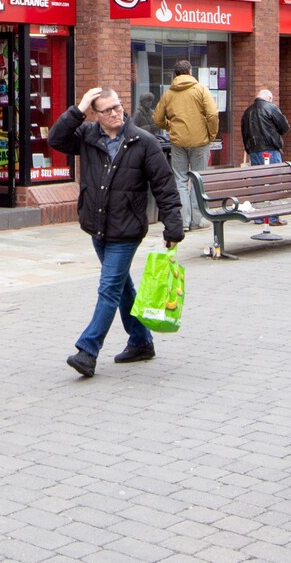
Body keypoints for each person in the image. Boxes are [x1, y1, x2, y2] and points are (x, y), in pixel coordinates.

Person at [48, 85, 184, 377]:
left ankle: (88, 350)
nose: (115, 113)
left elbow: (165, 184)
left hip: (127, 228)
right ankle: (141, 341)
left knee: (108, 287)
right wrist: (79, 106)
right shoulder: (87, 136)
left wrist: (173, 225)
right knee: (122, 287)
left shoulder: (143, 141)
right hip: (98, 226)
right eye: (107, 109)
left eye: (118, 107)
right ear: (95, 115)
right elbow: (55, 138)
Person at [153, 59, 220, 231]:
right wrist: (211, 134)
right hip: (200, 142)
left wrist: (171, 126)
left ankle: (182, 222)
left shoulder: (169, 93)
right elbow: (212, 114)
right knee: (198, 180)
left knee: (180, 181)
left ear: (175, 74)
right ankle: (196, 221)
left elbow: (157, 118)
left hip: (178, 141)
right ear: (190, 72)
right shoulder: (201, 90)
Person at [243, 87, 291, 233]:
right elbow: (284, 127)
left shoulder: (248, 111)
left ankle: (259, 216)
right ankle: (272, 217)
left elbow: (244, 132)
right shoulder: (271, 108)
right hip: (270, 149)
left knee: (258, 183)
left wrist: (249, 149)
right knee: (274, 183)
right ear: (269, 98)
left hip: (254, 150)